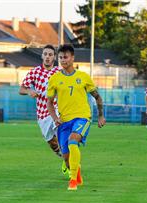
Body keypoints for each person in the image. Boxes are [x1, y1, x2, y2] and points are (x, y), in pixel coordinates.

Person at [47, 44, 106, 191]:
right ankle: (75, 170)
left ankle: (73, 181)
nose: (63, 60)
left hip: (82, 117)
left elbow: (97, 97)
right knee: (66, 158)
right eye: (60, 57)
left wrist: (101, 116)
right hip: (64, 121)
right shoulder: (54, 79)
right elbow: (49, 102)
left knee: (73, 141)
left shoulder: (83, 77)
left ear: (72, 58)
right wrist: (55, 118)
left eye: (65, 57)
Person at [19, 45, 69, 176]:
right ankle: (65, 159)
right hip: (42, 113)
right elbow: (21, 89)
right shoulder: (34, 72)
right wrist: (29, 90)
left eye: (50, 54)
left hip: (57, 109)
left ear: (54, 57)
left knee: (62, 132)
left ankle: (71, 164)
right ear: (42, 56)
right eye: (45, 54)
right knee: (52, 143)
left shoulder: (59, 72)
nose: (47, 57)